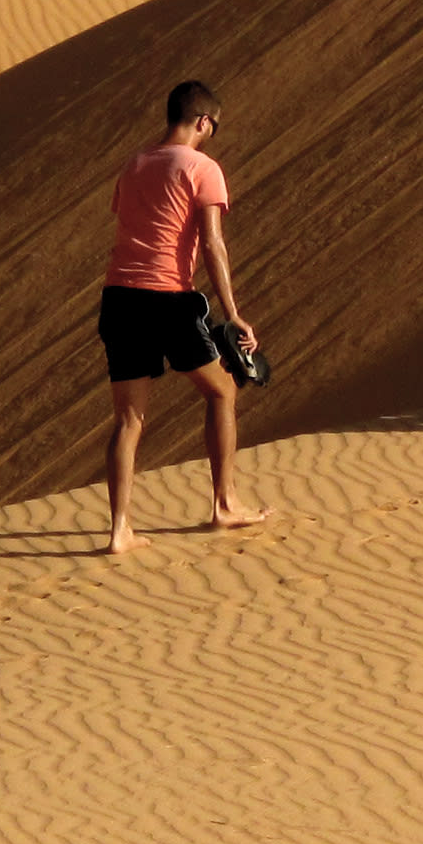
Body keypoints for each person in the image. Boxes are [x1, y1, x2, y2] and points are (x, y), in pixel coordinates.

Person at [99, 78, 269, 555]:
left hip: (119, 297)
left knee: (128, 420)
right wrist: (232, 313)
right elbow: (212, 243)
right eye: (212, 126)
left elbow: (130, 221)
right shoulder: (202, 167)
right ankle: (224, 503)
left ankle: (119, 531)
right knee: (222, 389)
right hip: (167, 297)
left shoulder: (134, 164)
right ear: (202, 120)